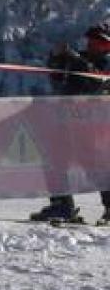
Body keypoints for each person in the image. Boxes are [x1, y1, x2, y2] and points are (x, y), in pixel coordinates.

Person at [30, 23, 110, 224]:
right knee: (55, 159)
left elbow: (96, 82)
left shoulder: (105, 62)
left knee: (96, 166)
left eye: (98, 41)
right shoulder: (80, 58)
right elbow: (57, 78)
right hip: (67, 120)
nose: (92, 44)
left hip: (96, 125)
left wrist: (75, 59)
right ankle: (61, 205)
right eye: (91, 40)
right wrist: (57, 57)